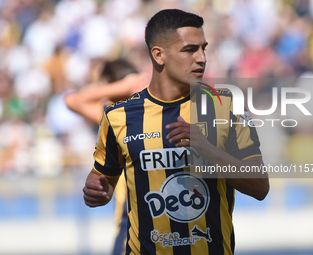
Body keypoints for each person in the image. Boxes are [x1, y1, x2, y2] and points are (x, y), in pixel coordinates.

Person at [83, 9, 269, 255]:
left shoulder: (228, 107)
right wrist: (95, 191)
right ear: (159, 55)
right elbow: (103, 183)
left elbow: (260, 186)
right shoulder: (118, 116)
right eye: (190, 50)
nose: (201, 58)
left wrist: (207, 150)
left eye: (204, 48)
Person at [65, 58, 149, 255]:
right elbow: (71, 100)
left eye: (102, 84)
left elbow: (74, 100)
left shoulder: (132, 113)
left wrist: (122, 86)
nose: (99, 91)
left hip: (134, 224)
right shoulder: (114, 116)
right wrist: (123, 86)